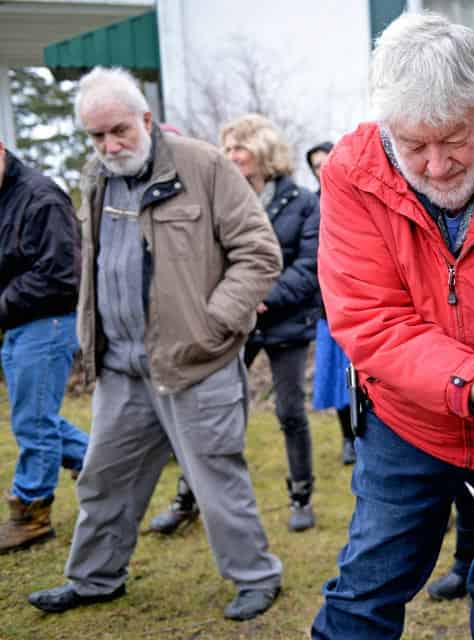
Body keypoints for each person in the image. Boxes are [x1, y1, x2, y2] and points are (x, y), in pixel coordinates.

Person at [312, 13, 474, 639]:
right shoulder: (353, 171)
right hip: (408, 420)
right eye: (413, 146)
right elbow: (368, 318)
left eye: (454, 139)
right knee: (366, 589)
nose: (435, 166)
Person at [27, 67, 284, 621]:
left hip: (196, 363)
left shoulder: (204, 166)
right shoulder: (97, 178)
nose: (109, 146)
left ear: (145, 118)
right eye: (96, 137)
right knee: (103, 478)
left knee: (216, 476)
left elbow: (260, 252)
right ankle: (96, 579)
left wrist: (213, 323)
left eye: (118, 130)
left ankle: (256, 578)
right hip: (121, 366)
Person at [150, 116, 322, 533]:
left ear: (263, 152)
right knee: (207, 410)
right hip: (230, 321)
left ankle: (301, 496)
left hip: (285, 323)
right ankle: (188, 497)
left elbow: (309, 264)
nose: (230, 157)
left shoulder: (302, 203)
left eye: (238, 149)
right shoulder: (219, 196)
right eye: (226, 150)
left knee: (289, 411)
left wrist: (263, 297)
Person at [0, 140, 89, 555]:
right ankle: (102, 462)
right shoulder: (6, 197)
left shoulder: (40, 196)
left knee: (33, 422)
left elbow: (59, 275)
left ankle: (31, 513)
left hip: (47, 323)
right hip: (18, 324)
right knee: (36, 418)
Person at [306, 141, 356, 466]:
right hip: (328, 309)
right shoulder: (311, 204)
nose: (319, 169)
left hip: (356, 305)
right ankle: (347, 439)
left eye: (324, 162)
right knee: (336, 379)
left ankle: (363, 433)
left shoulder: (354, 196)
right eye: (314, 166)